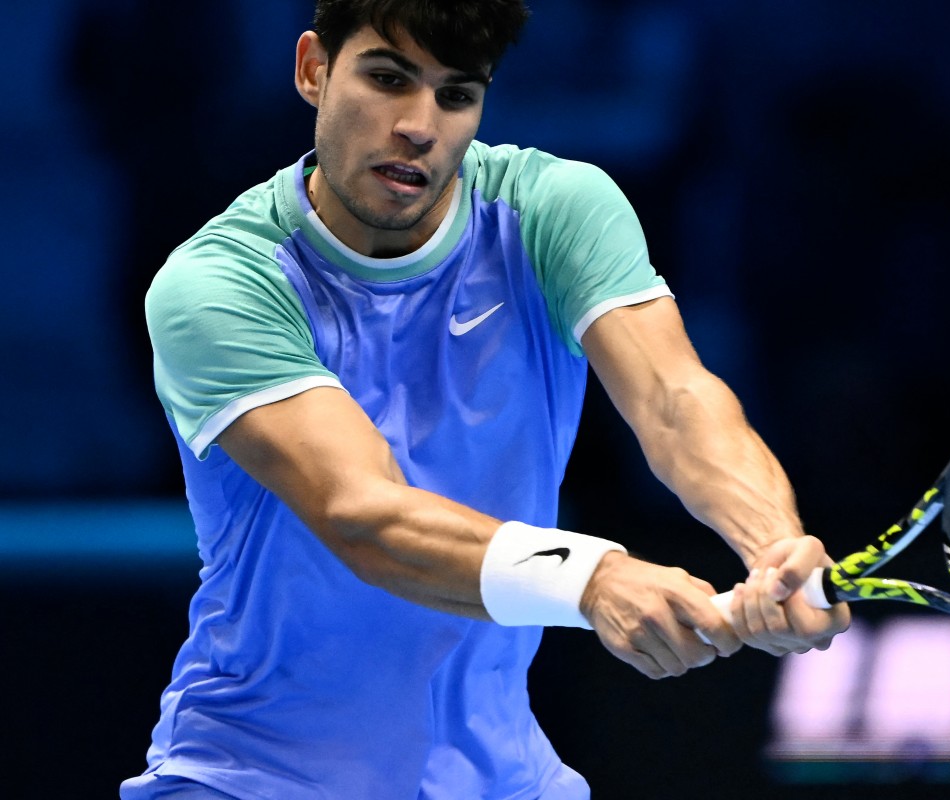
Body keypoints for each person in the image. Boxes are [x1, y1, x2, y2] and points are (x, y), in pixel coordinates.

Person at [120, 2, 850, 798]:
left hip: (503, 777)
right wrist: (593, 578)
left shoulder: (551, 209)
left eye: (455, 94)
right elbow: (365, 514)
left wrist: (774, 548)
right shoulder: (220, 284)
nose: (418, 126)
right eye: (388, 79)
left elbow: (675, 399)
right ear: (313, 69)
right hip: (252, 778)